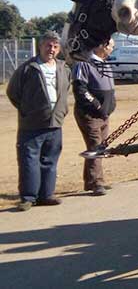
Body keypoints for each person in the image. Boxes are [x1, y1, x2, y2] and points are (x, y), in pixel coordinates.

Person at [7, 31, 71, 211]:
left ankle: (46, 195)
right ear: (40, 46)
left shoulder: (63, 68)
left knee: (50, 161)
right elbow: (13, 92)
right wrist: (28, 110)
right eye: (48, 45)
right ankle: (28, 197)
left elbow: (66, 91)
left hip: (55, 124)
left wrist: (61, 110)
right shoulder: (28, 68)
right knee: (29, 161)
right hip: (31, 125)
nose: (51, 49)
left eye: (55, 46)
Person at [73, 38, 117, 196]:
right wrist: (97, 106)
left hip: (104, 115)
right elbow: (80, 89)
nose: (112, 50)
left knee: (99, 148)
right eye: (111, 47)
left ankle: (90, 181)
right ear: (103, 46)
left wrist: (111, 106)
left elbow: (111, 88)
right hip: (89, 114)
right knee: (95, 146)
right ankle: (97, 182)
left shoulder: (106, 64)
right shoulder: (83, 64)